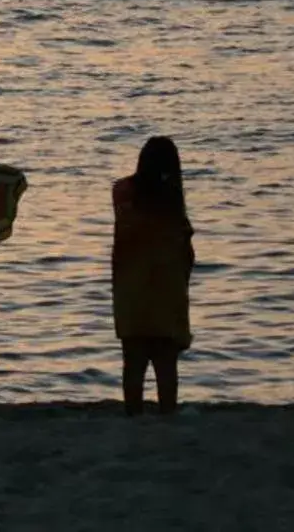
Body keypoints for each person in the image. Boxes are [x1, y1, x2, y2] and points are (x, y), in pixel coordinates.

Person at [114, 135, 196, 416]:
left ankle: (133, 415)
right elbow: (184, 248)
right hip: (166, 288)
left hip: (131, 287)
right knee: (166, 364)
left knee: (133, 363)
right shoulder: (173, 201)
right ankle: (167, 414)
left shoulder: (123, 193)